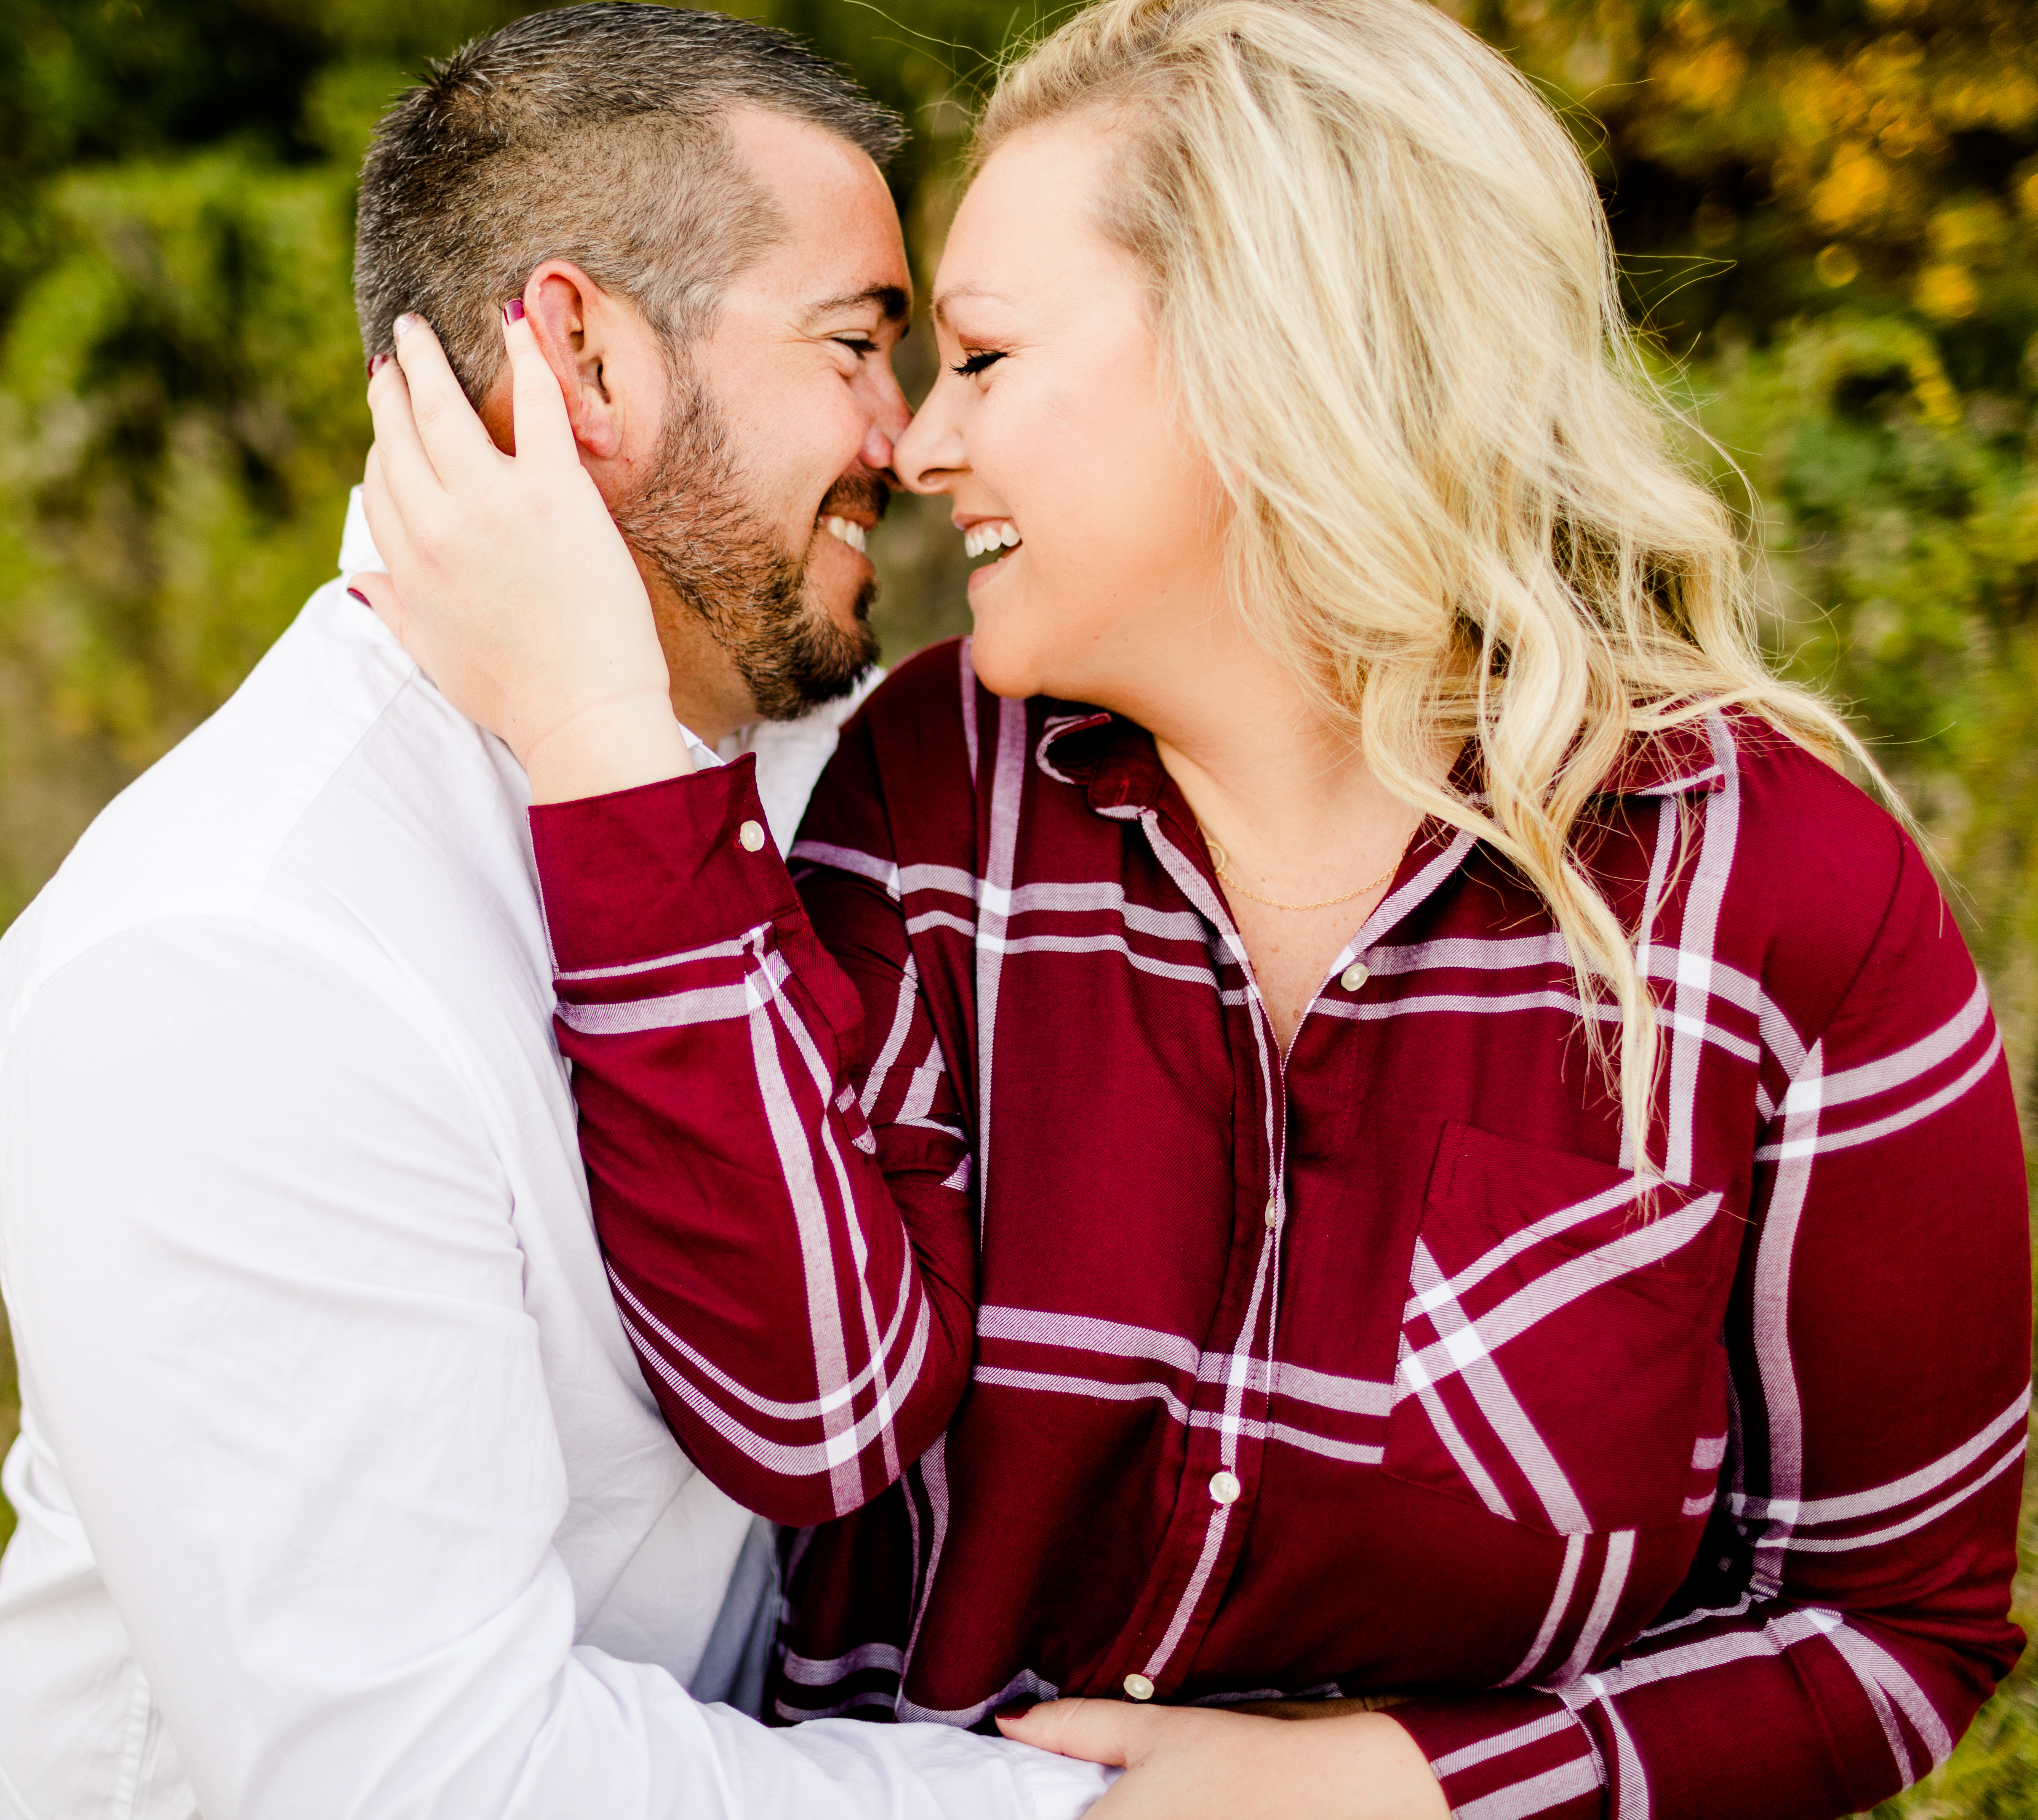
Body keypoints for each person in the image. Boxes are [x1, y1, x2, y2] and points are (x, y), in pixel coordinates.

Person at [350, 0, 2033, 1814]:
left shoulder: (1775, 900)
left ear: (1272, 364)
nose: (920, 447)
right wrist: (604, 745)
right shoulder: (933, 796)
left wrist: (1395, 1790)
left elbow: (1892, 1630)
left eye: (986, 357)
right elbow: (806, 1411)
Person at [0, 5, 1120, 1817]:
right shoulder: (237, 952)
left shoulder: (815, 783)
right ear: (579, 354)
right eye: (854, 344)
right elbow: (427, 1780)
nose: (909, 436)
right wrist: (1122, 1810)